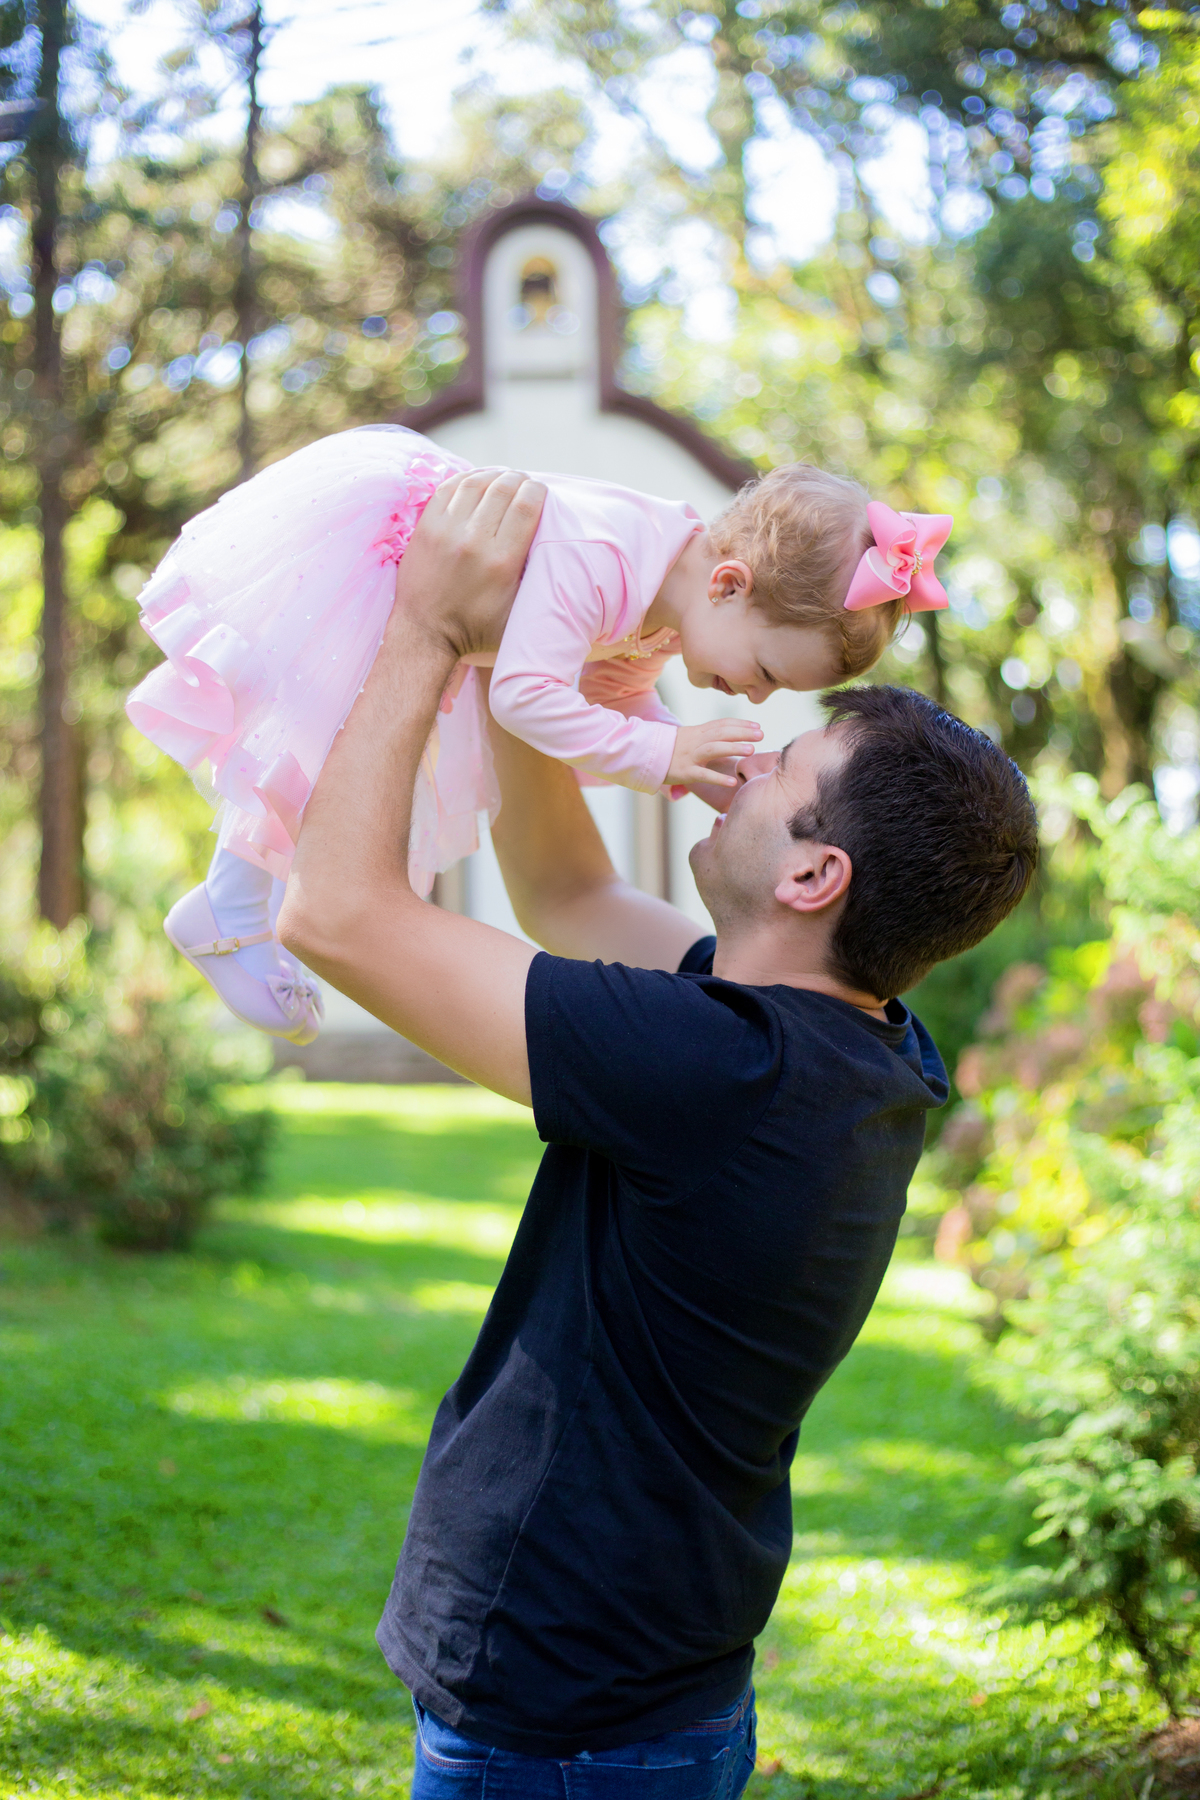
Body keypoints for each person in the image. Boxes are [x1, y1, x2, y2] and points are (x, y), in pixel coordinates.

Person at [276, 469, 1038, 1800]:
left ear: (813, 874)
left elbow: (334, 913)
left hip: (563, 1717)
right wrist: (538, 639)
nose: (737, 758)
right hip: (653, 1691)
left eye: (779, 769)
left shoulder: (715, 1070)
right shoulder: (851, 1046)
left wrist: (423, 633)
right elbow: (566, 890)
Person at [124, 424, 952, 1047]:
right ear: (731, 585)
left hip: (449, 610)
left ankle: (234, 905)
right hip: (392, 567)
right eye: (767, 671)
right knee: (328, 745)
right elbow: (524, 697)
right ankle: (233, 905)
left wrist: (681, 766)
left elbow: (609, 695)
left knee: (346, 758)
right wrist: (663, 751)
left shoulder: (672, 608)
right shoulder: (605, 558)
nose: (757, 697)